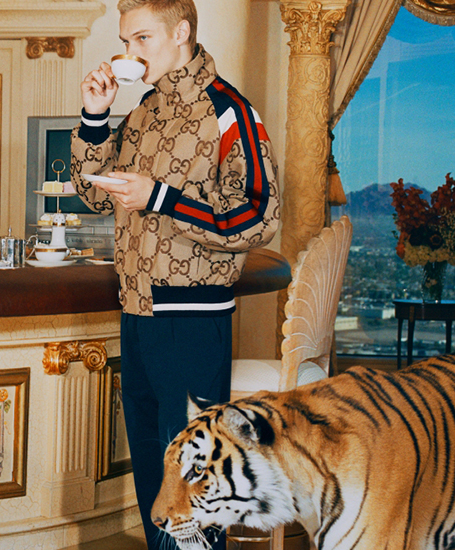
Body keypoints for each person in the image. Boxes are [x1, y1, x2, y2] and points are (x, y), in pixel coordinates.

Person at [70, 1, 279, 548]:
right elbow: (93, 194)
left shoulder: (230, 112)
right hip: (137, 310)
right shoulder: (143, 110)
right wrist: (96, 115)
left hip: (192, 315)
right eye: (125, 40)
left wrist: (159, 197)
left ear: (180, 31)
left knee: (193, 480)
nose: (128, 52)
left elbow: (259, 215)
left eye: (141, 38)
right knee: (153, 473)